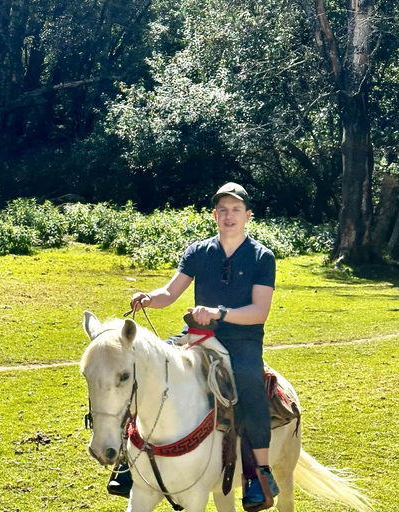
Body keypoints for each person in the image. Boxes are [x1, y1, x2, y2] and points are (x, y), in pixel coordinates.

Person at [111, 182, 279, 511]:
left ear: (248, 215)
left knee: (249, 383)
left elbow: (260, 310)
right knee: (145, 367)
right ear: (215, 215)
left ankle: (260, 473)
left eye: (236, 210)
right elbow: (170, 293)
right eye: (223, 210)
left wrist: (220, 312)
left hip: (242, 341)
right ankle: (127, 458)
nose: (229, 216)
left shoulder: (262, 257)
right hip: (199, 336)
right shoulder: (198, 252)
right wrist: (148, 298)